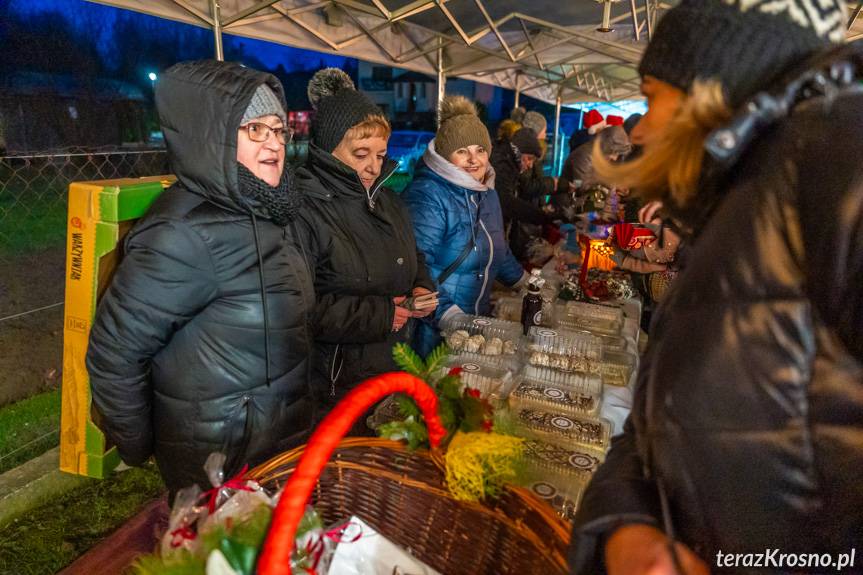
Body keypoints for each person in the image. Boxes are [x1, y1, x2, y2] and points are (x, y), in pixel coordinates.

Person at [570, 0, 862, 572]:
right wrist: (627, 525)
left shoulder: (839, 156)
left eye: (652, 98)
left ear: (714, 86)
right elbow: (662, 419)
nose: (644, 128)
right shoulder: (747, 199)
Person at [86, 60, 315, 496]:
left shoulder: (272, 210)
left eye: (278, 130)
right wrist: (143, 446)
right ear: (210, 138)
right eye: (255, 130)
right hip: (217, 466)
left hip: (278, 447)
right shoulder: (182, 233)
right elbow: (114, 355)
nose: (274, 143)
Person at [295, 69, 436, 420]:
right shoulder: (305, 209)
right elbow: (300, 308)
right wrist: (382, 315)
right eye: (361, 153)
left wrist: (421, 285)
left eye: (380, 153)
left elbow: (412, 254)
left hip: (392, 364)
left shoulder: (388, 200)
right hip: (338, 383)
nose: (374, 166)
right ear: (330, 149)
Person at [402, 96, 527, 357]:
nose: (474, 160)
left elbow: (497, 249)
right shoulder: (428, 194)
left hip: (474, 326)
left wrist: (527, 283)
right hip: (431, 332)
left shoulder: (487, 193)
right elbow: (415, 266)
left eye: (480, 150)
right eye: (462, 151)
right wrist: (451, 317)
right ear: (446, 157)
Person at [556, 124, 631, 195]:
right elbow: (580, 186)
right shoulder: (585, 155)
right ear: (608, 146)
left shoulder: (599, 154)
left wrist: (614, 185)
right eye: (615, 153)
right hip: (566, 202)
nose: (615, 158)